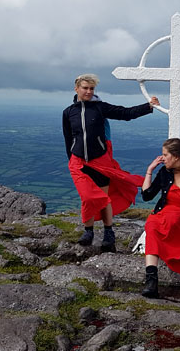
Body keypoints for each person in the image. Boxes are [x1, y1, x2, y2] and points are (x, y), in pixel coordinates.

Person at [63, 73, 159, 251]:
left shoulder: (100, 108)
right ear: (76, 88)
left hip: (101, 161)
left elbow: (125, 113)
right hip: (79, 163)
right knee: (87, 197)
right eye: (85, 88)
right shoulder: (69, 112)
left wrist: (148, 106)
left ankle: (108, 232)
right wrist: (72, 160)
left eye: (92, 88)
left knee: (104, 198)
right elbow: (68, 138)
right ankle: (88, 230)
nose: (89, 91)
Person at [139, 138, 180, 298]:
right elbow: (147, 195)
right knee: (152, 224)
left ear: (176, 156)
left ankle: (179, 249)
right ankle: (151, 280)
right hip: (163, 214)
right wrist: (150, 170)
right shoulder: (164, 173)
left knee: (172, 220)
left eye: (165, 155)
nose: (162, 158)